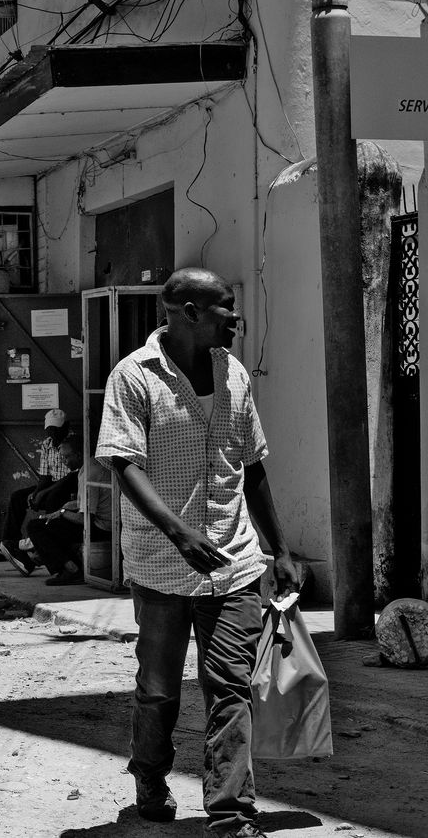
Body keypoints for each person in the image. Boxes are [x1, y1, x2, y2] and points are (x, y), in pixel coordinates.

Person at [96, 269, 296, 837]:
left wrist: (278, 548)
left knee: (229, 685)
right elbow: (123, 463)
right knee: (158, 687)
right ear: (188, 312)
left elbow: (250, 464)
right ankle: (151, 777)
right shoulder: (134, 377)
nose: (236, 318)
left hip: (234, 558)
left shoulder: (232, 373)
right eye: (225, 308)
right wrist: (179, 533)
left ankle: (231, 813)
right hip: (162, 565)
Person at [0, 409, 75, 574]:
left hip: (70, 487)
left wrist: (43, 494)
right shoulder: (47, 443)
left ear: (66, 426)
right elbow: (45, 476)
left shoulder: (72, 442)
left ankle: (43, 550)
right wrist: (36, 493)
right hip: (51, 483)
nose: (53, 432)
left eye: (57, 429)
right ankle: (9, 544)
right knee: (18, 497)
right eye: (50, 429)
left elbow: (70, 479)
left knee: (53, 498)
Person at [23, 434, 110, 584]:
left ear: (78, 455)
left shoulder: (89, 473)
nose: (64, 462)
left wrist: (62, 513)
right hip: (102, 521)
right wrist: (64, 509)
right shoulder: (92, 465)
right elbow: (88, 501)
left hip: (101, 527)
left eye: (66, 458)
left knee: (36, 527)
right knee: (51, 520)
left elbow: (85, 519)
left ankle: (72, 570)